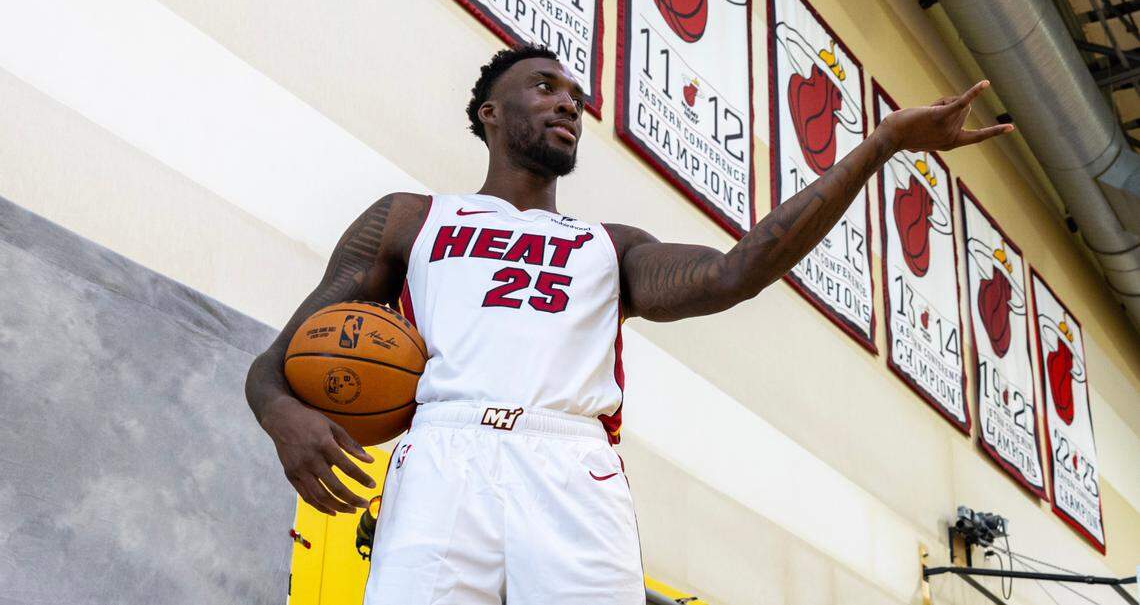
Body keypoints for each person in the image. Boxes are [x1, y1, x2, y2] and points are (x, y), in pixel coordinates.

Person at [244, 44, 1012, 604]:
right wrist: (284, 416)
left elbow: (734, 271)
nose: (566, 102)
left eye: (575, 95)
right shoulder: (410, 220)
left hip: (571, 465)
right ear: (489, 113)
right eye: (543, 87)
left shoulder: (607, 247)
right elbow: (273, 366)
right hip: (447, 451)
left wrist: (880, 146)